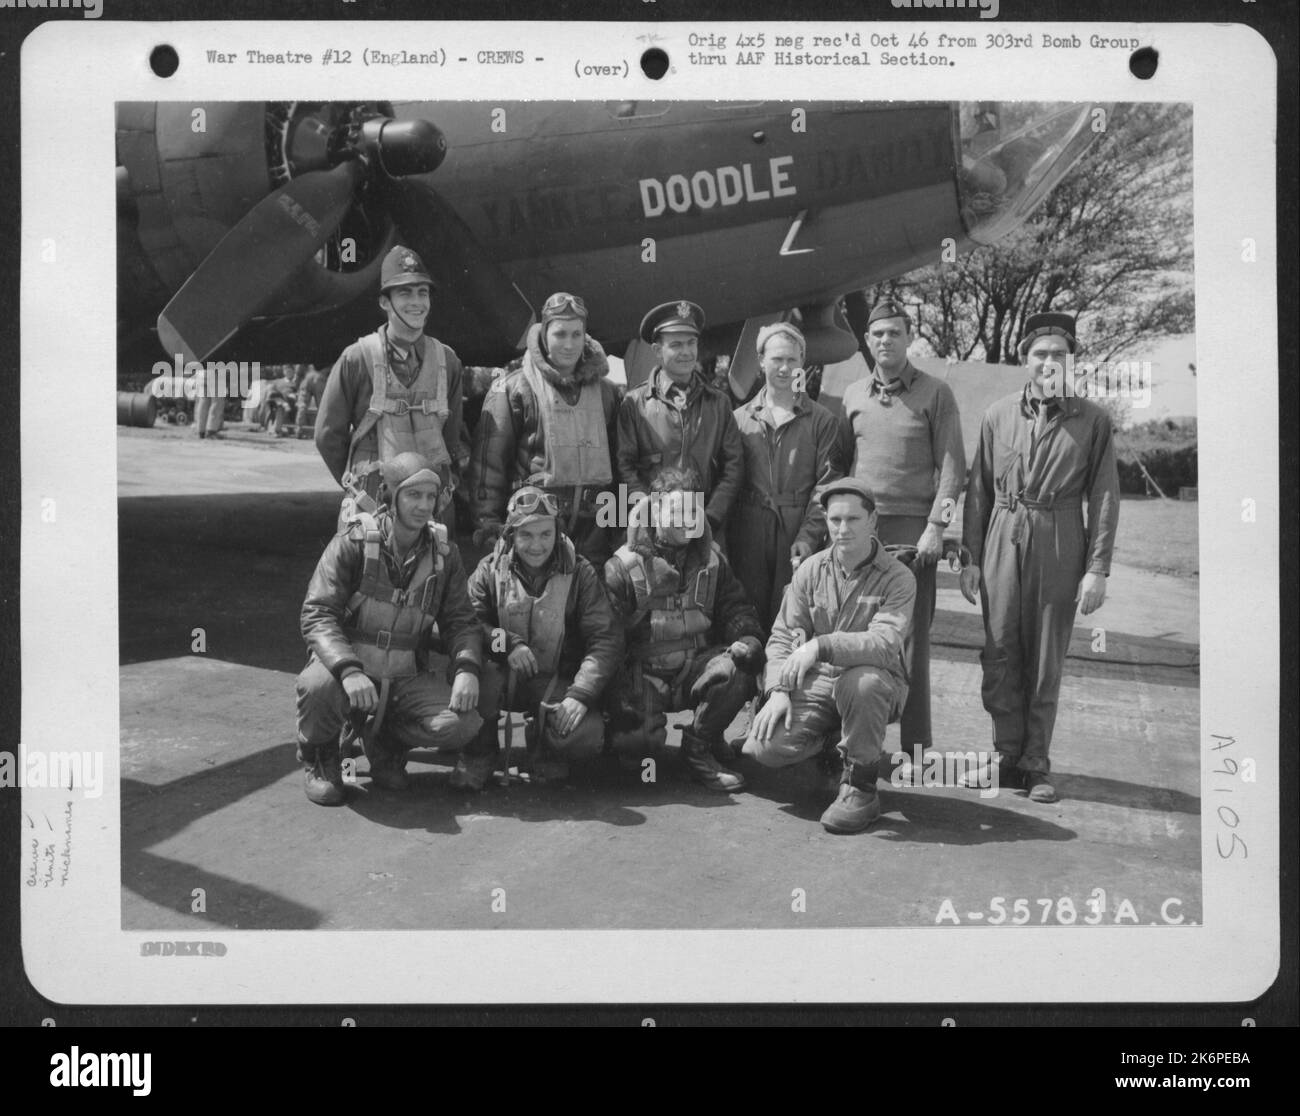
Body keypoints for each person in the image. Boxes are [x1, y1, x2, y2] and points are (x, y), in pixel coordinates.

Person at [959, 312, 1120, 804]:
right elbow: (979, 491)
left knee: (1046, 656)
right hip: (1002, 534)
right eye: (1040, 354)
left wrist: (1097, 568)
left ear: (1071, 362)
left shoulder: (1092, 420)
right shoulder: (998, 413)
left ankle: (1036, 764)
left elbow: (1107, 495)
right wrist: (969, 558)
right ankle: (1005, 757)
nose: (1049, 362)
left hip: (1059, 533)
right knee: (1000, 649)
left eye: (1059, 355)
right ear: (1024, 360)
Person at [294, 452, 486, 805]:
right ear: (389, 495)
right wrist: (348, 670)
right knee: (318, 685)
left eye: (431, 496)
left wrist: (467, 668)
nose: (424, 506)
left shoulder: (445, 555)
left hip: (403, 674)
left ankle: (385, 741)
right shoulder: (352, 544)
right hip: (352, 664)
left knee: (463, 723)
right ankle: (320, 758)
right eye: (414, 495)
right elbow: (317, 613)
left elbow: (461, 621)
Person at [743, 478, 915, 833]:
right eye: (835, 520)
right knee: (762, 750)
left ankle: (861, 787)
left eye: (853, 519)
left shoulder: (898, 578)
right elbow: (780, 637)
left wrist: (821, 646)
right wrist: (777, 690)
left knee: (861, 683)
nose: (842, 529)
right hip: (821, 682)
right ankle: (837, 747)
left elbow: (884, 644)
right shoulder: (812, 569)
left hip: (876, 680)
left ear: (873, 521)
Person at [842, 298, 964, 768]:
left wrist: (937, 526)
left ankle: (915, 750)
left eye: (894, 332)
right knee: (856, 629)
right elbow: (839, 464)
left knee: (910, 639)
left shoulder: (936, 393)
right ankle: (857, 742)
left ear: (909, 337)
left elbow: (953, 469)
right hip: (863, 530)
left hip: (915, 534)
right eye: (877, 334)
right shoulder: (852, 395)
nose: (885, 341)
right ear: (868, 342)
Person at [603, 466, 765, 793]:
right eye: (677, 512)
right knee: (639, 749)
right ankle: (628, 737)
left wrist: (747, 639)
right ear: (655, 509)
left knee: (739, 669)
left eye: (694, 511)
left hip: (694, 665)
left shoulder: (712, 560)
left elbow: (736, 608)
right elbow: (605, 637)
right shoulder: (622, 565)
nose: (687, 520)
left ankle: (700, 745)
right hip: (643, 674)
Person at [466, 486, 623, 787]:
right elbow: (467, 623)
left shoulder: (581, 574)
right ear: (510, 535)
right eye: (526, 535)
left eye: (545, 535)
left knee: (585, 736)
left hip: (555, 678)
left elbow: (605, 639)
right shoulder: (488, 570)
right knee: (476, 675)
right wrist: (505, 644)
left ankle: (545, 746)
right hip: (501, 675)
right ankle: (480, 753)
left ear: (557, 532)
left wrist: (580, 694)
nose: (536, 545)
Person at [314, 245, 466, 530]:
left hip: (432, 507)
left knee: (435, 572)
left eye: (423, 292)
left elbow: (452, 437)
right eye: (405, 293)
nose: (416, 302)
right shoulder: (357, 358)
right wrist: (357, 481)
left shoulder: (447, 361)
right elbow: (327, 436)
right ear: (385, 302)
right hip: (372, 503)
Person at [467, 292, 621, 565]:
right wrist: (489, 524)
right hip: (536, 532)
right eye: (560, 334)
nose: (569, 344)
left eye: (577, 335)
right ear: (544, 334)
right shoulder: (515, 389)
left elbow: (621, 466)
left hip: (595, 534)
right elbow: (489, 467)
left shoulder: (608, 394)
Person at [730, 322, 844, 629]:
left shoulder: (823, 422)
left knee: (794, 620)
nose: (784, 367)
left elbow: (827, 487)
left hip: (797, 532)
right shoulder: (738, 420)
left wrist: (808, 538)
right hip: (749, 533)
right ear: (761, 361)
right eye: (777, 359)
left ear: (802, 363)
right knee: (746, 619)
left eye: (792, 360)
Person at [615, 300, 744, 537]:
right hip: (652, 528)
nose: (686, 352)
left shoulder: (719, 403)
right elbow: (624, 467)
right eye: (676, 345)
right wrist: (653, 516)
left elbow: (733, 467)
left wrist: (710, 517)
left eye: (691, 343)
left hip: (704, 528)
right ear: (657, 350)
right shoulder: (634, 404)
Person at [295, 364, 327, 439]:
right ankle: (322, 432)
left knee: (302, 405)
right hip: (320, 377)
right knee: (322, 407)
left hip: (307, 378)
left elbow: (298, 370)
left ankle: (299, 429)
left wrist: (297, 383)